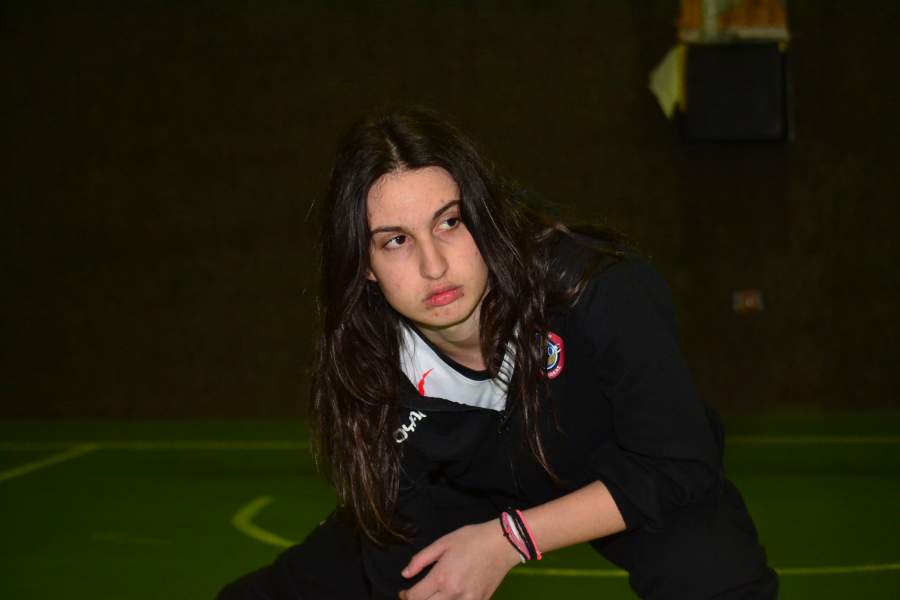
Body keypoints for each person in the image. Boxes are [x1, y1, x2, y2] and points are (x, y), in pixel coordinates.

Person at [219, 108, 778, 599]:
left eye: (450, 222)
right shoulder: (374, 366)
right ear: (365, 266)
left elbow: (680, 460)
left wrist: (511, 539)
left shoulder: (593, 291)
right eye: (396, 240)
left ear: (483, 215)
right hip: (462, 484)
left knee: (710, 569)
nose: (434, 266)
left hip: (621, 468)